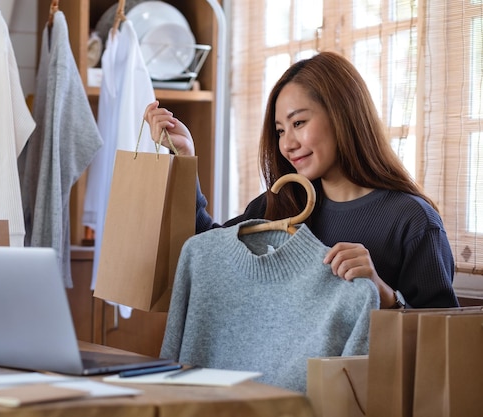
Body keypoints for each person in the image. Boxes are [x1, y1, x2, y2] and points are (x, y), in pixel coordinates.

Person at [144, 51, 459, 309]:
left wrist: (384, 295)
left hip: (363, 385)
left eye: (299, 123)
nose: (287, 144)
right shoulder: (278, 206)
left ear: (343, 115)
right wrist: (184, 157)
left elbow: (441, 338)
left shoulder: (412, 220)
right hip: (273, 384)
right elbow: (206, 252)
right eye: (281, 130)